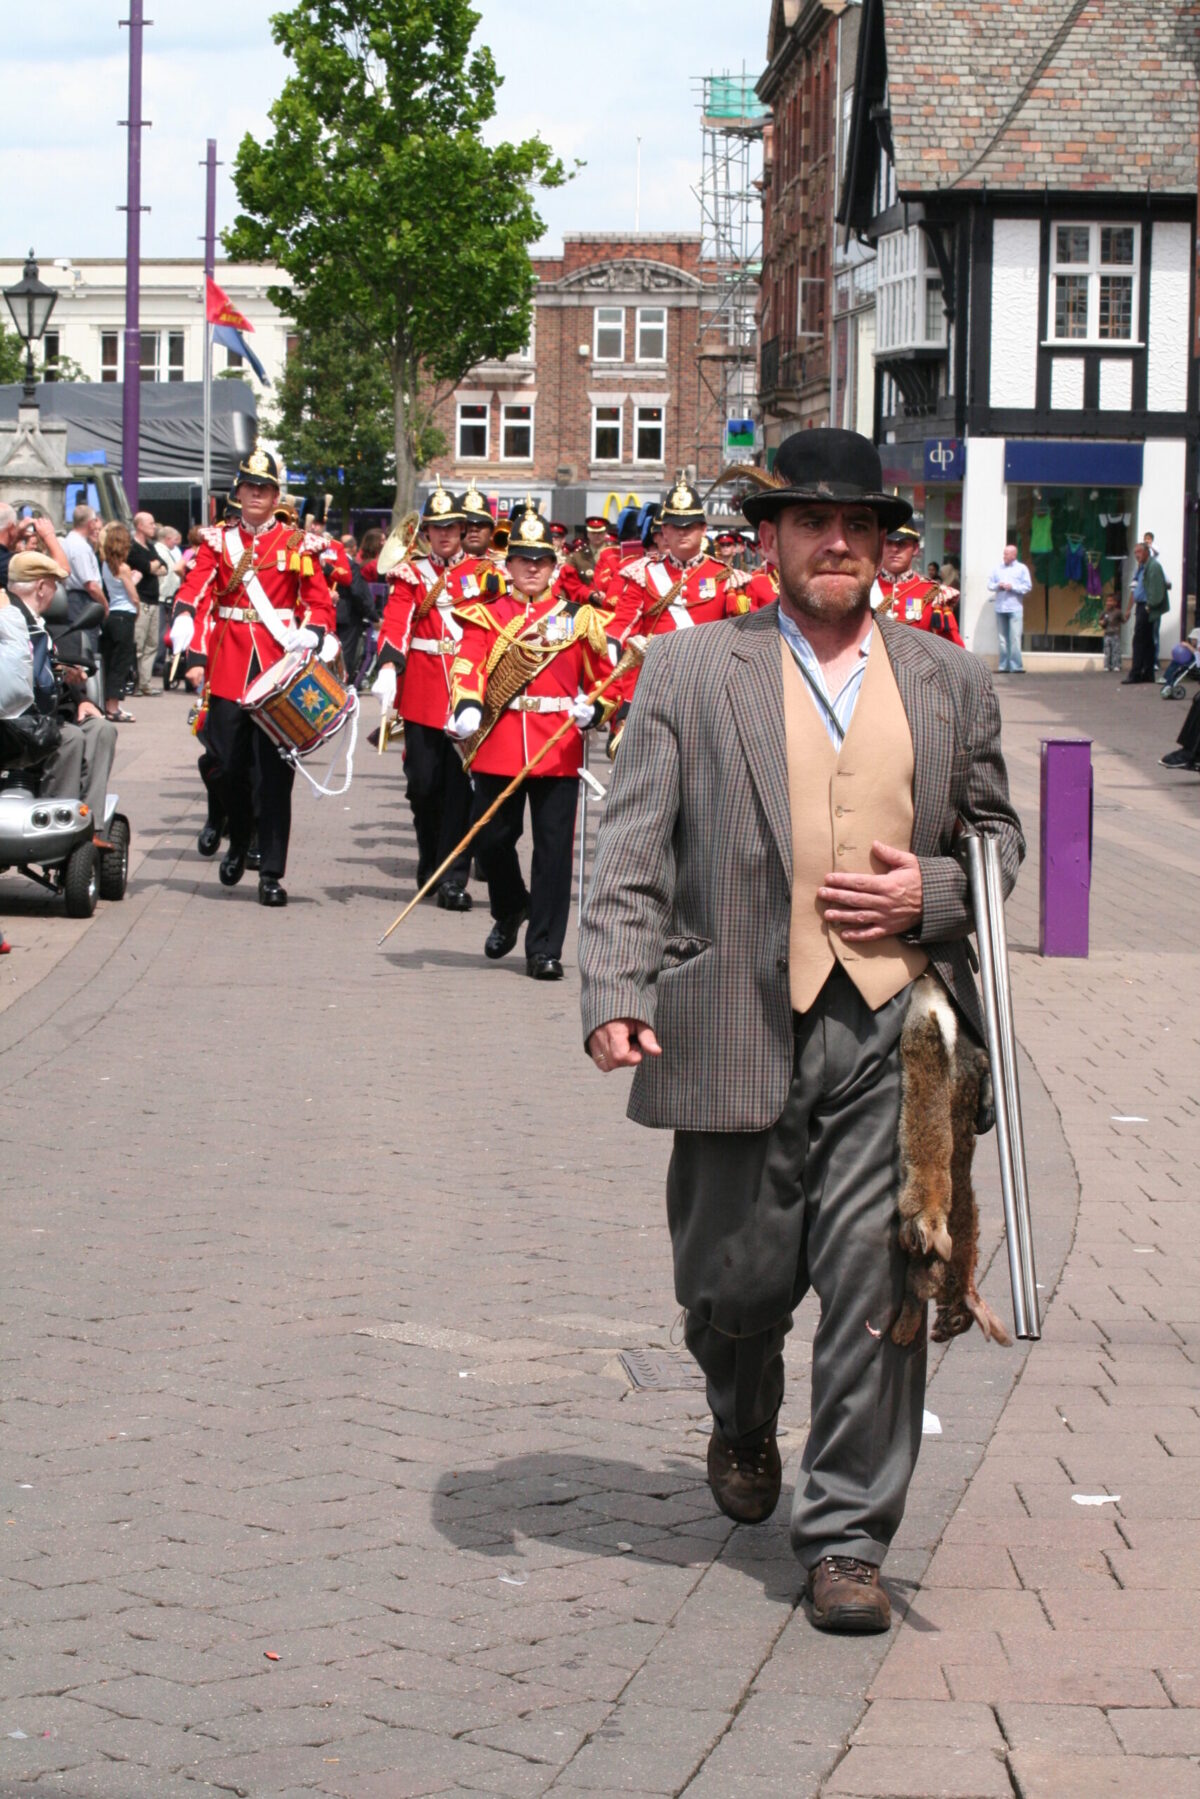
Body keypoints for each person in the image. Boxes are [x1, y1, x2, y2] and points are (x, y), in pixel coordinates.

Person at [580, 427, 1023, 1636]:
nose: (838, 542)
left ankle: (845, 1538)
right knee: (732, 1281)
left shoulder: (948, 678)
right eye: (811, 522)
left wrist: (928, 893)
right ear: (767, 538)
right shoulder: (684, 667)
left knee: (885, 1269)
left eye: (860, 525)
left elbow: (994, 843)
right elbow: (628, 842)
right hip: (732, 1016)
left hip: (900, 1031)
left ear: (885, 544)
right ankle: (738, 1407)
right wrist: (614, 984)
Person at [447, 501, 613, 979]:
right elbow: (468, 665)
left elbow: (608, 678)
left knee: (554, 851)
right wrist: (468, 705)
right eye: (523, 559)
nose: (532, 568)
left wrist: (595, 709)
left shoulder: (579, 619)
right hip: (499, 739)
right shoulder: (486, 614)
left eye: (540, 560)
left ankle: (544, 948)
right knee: (490, 838)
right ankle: (511, 906)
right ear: (509, 564)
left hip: (559, 743)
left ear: (554, 565)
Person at [169, 446, 337, 907]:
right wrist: (184, 615)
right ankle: (240, 835)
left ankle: (271, 872)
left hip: (276, 670)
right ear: (239, 492)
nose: (256, 494)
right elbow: (197, 586)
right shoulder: (218, 541)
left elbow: (320, 602)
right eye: (249, 487)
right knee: (223, 763)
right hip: (227, 666)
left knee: (275, 774)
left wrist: (314, 634)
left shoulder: (296, 543)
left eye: (265, 488)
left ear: (275, 494)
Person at [373, 480, 483, 909]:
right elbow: (397, 618)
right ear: (427, 532)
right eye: (436, 528)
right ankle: (428, 859)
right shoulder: (411, 572)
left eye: (451, 527)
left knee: (461, 789)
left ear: (461, 530)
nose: (444, 535)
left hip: (465, 689)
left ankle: (452, 877)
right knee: (422, 785)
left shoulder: (484, 573)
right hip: (421, 688)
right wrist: (387, 665)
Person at [605, 475, 750, 751]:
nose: (683, 532)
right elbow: (617, 631)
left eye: (691, 526)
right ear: (664, 532)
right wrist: (625, 658)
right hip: (656, 690)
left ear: (703, 529)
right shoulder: (642, 574)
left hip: (707, 694)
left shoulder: (726, 577)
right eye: (675, 526)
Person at [5, 551, 118, 823]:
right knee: (70, 737)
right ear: (42, 587)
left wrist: (80, 698)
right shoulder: (11, 619)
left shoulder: (37, 623)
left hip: (40, 716)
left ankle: (91, 825)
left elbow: (45, 672)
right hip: (15, 723)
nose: (57, 592)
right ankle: (58, 825)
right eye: (54, 584)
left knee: (102, 729)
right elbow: (26, 681)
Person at [98, 523, 140, 724]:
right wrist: (137, 610)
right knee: (121, 663)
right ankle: (113, 708)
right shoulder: (124, 568)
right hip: (125, 615)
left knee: (109, 660)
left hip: (112, 614)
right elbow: (133, 597)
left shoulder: (105, 564)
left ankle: (107, 703)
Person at [127, 511, 167, 698]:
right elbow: (148, 567)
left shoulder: (150, 547)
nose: (154, 527)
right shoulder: (133, 548)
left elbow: (164, 567)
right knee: (138, 644)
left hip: (154, 601)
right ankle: (134, 682)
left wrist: (154, 566)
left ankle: (146, 682)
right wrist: (154, 567)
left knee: (152, 644)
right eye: (151, 524)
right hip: (141, 601)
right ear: (140, 526)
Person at [1121, 541, 1168, 686]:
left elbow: (1158, 589)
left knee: (1139, 640)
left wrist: (1149, 606)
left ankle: (1135, 673)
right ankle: (1148, 673)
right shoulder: (1141, 568)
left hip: (1147, 607)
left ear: (1146, 552)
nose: (1137, 555)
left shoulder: (1153, 567)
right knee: (1147, 641)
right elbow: (1135, 590)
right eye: (1135, 552)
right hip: (1141, 606)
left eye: (1139, 552)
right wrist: (1129, 608)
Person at [986, 543, 1032, 673]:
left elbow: (1027, 587)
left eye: (1006, 554)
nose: (1004, 556)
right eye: (1004, 553)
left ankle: (1016, 666)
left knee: (1015, 638)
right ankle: (1003, 666)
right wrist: (997, 586)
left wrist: (1013, 587)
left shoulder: (1022, 569)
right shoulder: (997, 569)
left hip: (1015, 607)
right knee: (1002, 639)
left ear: (1013, 555)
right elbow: (990, 584)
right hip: (1000, 607)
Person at [1101, 586, 1123, 674]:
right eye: (1107, 601)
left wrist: (1127, 616)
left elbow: (1123, 620)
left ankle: (1116, 665)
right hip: (1107, 634)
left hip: (1115, 634)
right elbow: (1100, 620)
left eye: (1110, 601)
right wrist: (1101, 623)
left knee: (1115, 650)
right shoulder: (1104, 612)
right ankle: (1107, 666)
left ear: (1115, 602)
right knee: (1107, 651)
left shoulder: (1118, 612)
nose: (1108, 603)